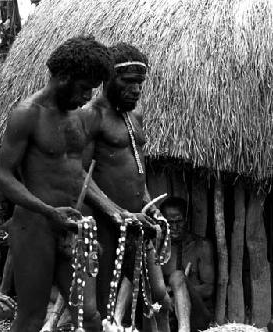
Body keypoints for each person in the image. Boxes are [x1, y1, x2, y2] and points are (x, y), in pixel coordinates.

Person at [0, 35, 125, 332]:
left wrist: (116, 211)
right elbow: (4, 175)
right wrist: (47, 211)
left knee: (90, 318)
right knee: (31, 317)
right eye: (83, 88)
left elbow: (78, 175)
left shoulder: (78, 118)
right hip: (34, 227)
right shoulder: (27, 114)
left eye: (92, 90)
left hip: (73, 229)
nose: (87, 96)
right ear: (63, 78)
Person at [80, 43, 170, 330]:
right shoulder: (90, 115)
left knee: (159, 299)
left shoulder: (135, 117)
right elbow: (79, 174)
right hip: (104, 224)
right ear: (107, 79)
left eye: (139, 83)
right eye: (128, 82)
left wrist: (150, 205)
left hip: (138, 222)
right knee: (105, 307)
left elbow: (138, 172)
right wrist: (116, 212)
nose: (136, 90)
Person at [159, 197, 215, 332]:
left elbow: (209, 289)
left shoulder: (202, 246)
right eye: (169, 223)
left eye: (178, 222)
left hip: (197, 316)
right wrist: (169, 297)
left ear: (186, 220)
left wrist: (180, 290)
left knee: (177, 277)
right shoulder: (158, 248)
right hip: (167, 314)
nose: (174, 227)